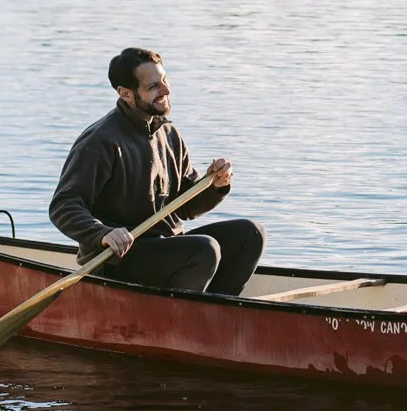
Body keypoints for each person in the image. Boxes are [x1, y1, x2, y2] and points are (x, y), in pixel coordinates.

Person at [49, 47, 265, 295]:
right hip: (118, 259)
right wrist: (102, 233)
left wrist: (216, 186)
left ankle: (216, 309)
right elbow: (63, 206)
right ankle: (182, 313)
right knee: (205, 249)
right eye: (153, 86)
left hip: (166, 247)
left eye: (165, 80)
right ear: (125, 93)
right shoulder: (99, 141)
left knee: (251, 234)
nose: (166, 90)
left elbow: (186, 207)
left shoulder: (169, 133)